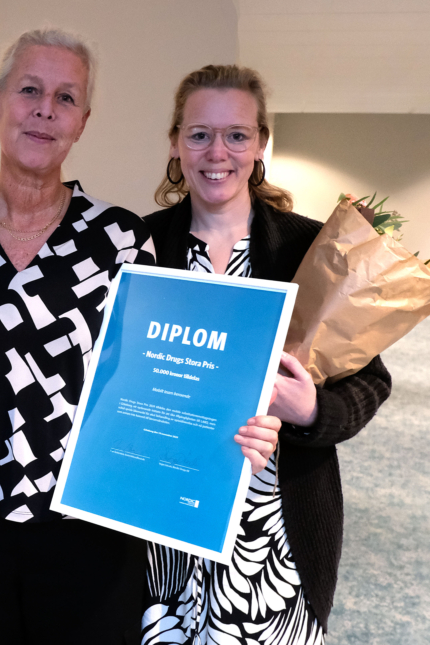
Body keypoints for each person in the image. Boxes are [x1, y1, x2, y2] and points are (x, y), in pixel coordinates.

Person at [0, 29, 282, 645]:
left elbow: (159, 381)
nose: (45, 110)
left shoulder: (122, 240)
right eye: (30, 91)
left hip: (89, 527)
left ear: (82, 121)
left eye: (66, 98)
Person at [141, 65, 392, 645]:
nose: (217, 152)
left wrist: (311, 411)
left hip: (271, 535)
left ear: (260, 145)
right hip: (161, 524)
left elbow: (371, 381)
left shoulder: (311, 248)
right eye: (199, 134)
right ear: (176, 143)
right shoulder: (137, 245)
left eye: (237, 134)